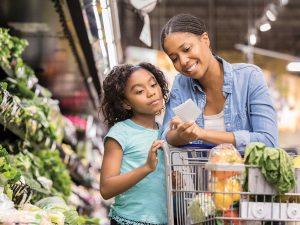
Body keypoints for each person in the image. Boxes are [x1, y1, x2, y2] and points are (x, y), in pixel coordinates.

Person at [160, 13, 278, 151]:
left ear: (205, 40)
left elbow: (268, 141)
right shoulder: (181, 85)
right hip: (199, 173)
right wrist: (180, 135)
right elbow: (165, 137)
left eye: (186, 49)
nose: (183, 61)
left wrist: (203, 134)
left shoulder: (249, 77)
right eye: (174, 58)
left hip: (248, 173)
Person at [100, 63, 169, 225]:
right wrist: (146, 168)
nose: (151, 93)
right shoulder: (120, 132)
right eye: (139, 91)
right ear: (126, 103)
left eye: (153, 85)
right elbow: (106, 188)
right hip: (129, 220)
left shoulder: (165, 132)